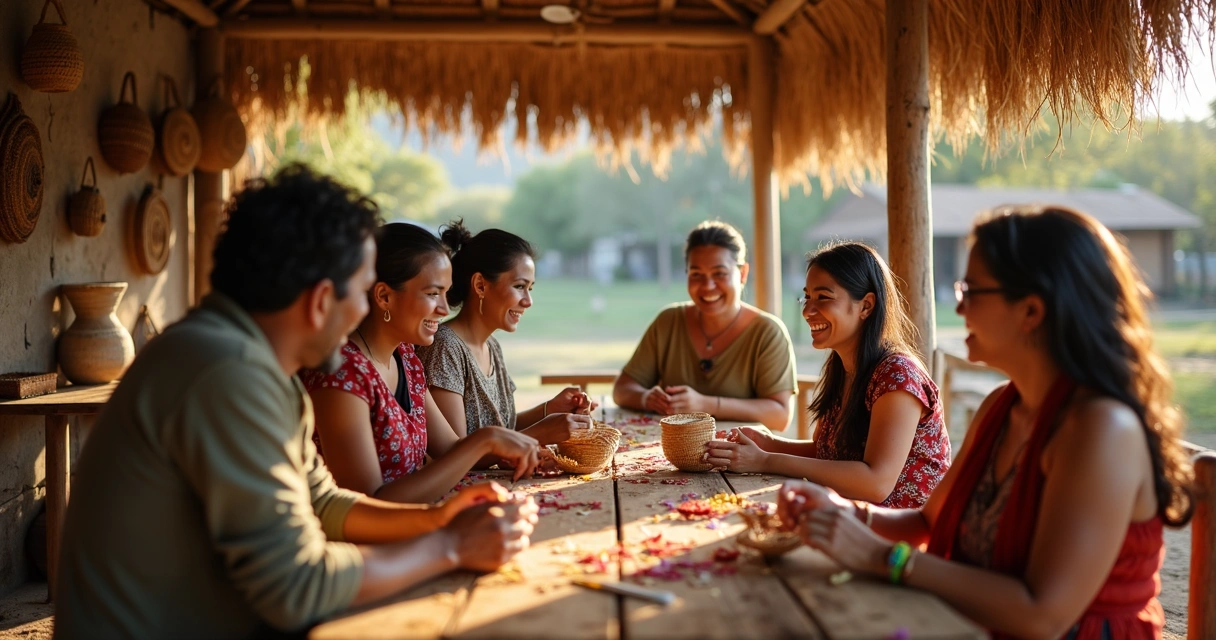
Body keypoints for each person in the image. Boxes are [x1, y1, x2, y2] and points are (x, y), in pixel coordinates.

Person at [55, 166, 538, 639]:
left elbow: (323, 502)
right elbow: (295, 586)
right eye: (362, 291)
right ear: (322, 299)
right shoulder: (225, 372)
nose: (364, 308)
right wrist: (449, 546)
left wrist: (438, 518)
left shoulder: (254, 365)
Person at [778, 206, 1194, 639]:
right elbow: (926, 523)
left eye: (972, 291)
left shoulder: (1100, 430)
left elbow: (1043, 615)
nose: (958, 305)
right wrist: (841, 513)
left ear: (1031, 310)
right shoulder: (1001, 406)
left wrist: (883, 558)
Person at [302, 222, 544, 504]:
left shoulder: (405, 357)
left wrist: (504, 444)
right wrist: (486, 440)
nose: (443, 309)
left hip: (416, 527)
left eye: (445, 292)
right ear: (383, 296)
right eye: (432, 293)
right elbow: (367, 503)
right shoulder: (341, 374)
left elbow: (449, 449)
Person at [704, 242, 951, 509]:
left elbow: (876, 483)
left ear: (866, 306)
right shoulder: (842, 366)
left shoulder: (898, 376)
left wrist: (765, 460)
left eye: (823, 297)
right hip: (850, 520)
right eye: (807, 297)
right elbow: (828, 453)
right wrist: (768, 443)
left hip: (900, 538)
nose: (808, 311)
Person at [418, 220, 593, 446]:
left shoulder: (491, 346)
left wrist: (550, 410)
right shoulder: (444, 348)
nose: (528, 302)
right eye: (519, 286)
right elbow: (457, 453)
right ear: (480, 285)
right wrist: (539, 435)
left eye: (529, 289)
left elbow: (502, 428)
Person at [612, 220, 797, 433]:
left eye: (720, 273)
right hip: (668, 454)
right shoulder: (668, 321)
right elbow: (622, 389)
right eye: (696, 274)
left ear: (743, 273)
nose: (708, 286)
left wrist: (706, 405)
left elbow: (780, 416)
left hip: (740, 459)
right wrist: (646, 399)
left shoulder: (767, 332)